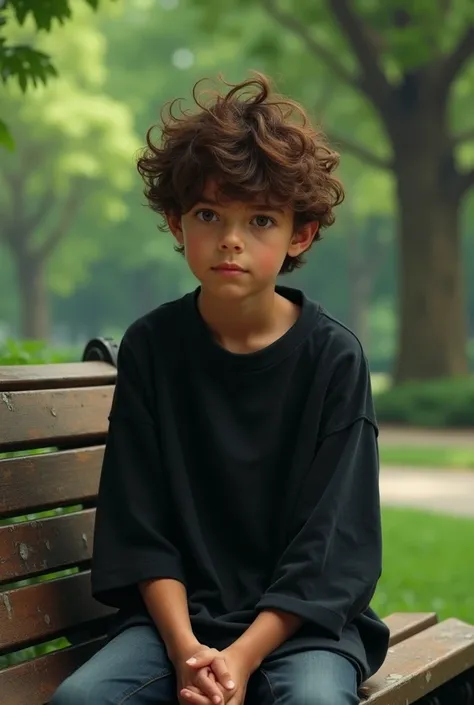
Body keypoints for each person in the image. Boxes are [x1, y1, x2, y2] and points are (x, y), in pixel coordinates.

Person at [51, 72, 389, 705]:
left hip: (302, 627)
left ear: (300, 234)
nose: (231, 239)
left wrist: (239, 657)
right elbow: (142, 528)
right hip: (174, 626)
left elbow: (331, 548)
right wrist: (187, 652)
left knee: (313, 702)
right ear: (177, 223)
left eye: (260, 219)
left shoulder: (333, 359)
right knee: (84, 700)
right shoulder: (152, 348)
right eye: (209, 214)